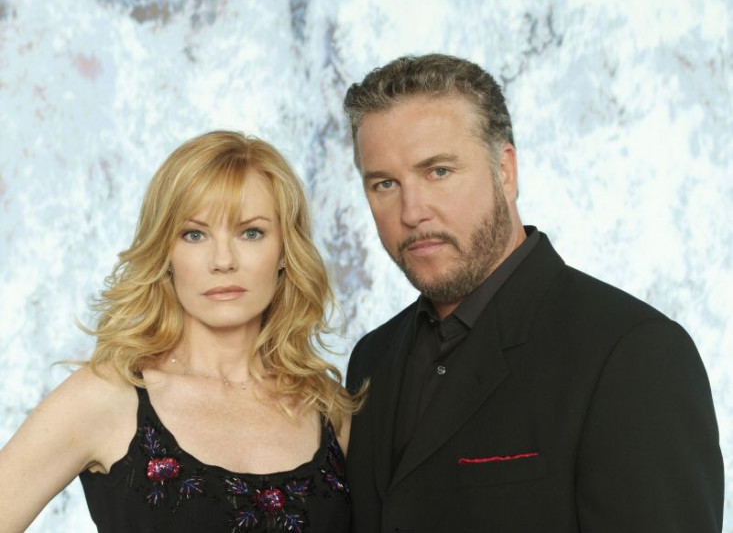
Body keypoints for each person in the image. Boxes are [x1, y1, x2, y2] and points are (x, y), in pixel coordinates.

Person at [342, 54, 723, 532]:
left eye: (438, 171)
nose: (412, 211)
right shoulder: (371, 359)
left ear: (505, 170)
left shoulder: (633, 353)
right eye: (384, 183)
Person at [0, 131, 355, 532]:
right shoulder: (105, 398)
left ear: (285, 252)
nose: (223, 260)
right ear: (166, 253)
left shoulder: (329, 409)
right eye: (194, 234)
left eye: (251, 232)